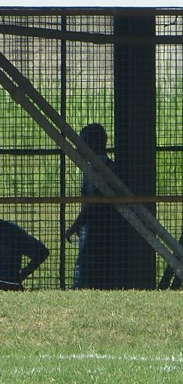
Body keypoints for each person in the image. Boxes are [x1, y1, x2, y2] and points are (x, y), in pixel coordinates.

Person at [64, 122, 129, 289]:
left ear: (92, 143)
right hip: (107, 229)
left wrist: (74, 226)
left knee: (88, 271)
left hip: (96, 229)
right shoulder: (108, 166)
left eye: (83, 142)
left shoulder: (96, 170)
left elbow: (92, 202)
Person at [0, 218, 49, 291]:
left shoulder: (11, 230)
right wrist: (21, 276)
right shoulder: (12, 230)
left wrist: (21, 276)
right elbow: (42, 252)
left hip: (9, 281)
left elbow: (42, 252)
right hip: (10, 281)